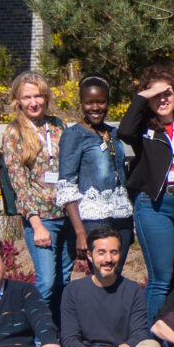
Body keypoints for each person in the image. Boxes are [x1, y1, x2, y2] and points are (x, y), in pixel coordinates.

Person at [116, 64, 174, 313]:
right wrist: (142, 95)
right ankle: (157, 345)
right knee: (161, 279)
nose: (162, 99)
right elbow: (123, 131)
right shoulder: (143, 127)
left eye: (168, 93)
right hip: (155, 205)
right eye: (156, 95)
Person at [59, 226, 174, 347]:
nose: (108, 259)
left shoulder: (133, 290)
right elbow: (69, 340)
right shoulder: (73, 291)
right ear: (90, 256)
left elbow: (139, 335)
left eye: (113, 252)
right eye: (102, 253)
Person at [0, 72, 69, 309]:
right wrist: (36, 224)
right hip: (41, 219)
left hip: (66, 215)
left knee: (64, 281)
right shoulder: (14, 132)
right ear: (17, 100)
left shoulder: (58, 126)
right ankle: (38, 334)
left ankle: (61, 332)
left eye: (38, 96)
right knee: (46, 282)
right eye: (27, 97)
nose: (33, 102)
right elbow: (19, 183)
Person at [56, 75, 134, 286]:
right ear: (81, 104)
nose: (95, 107)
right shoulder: (74, 135)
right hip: (93, 218)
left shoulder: (114, 133)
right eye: (89, 102)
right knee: (102, 276)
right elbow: (66, 185)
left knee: (117, 276)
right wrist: (80, 232)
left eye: (100, 101)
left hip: (121, 216)